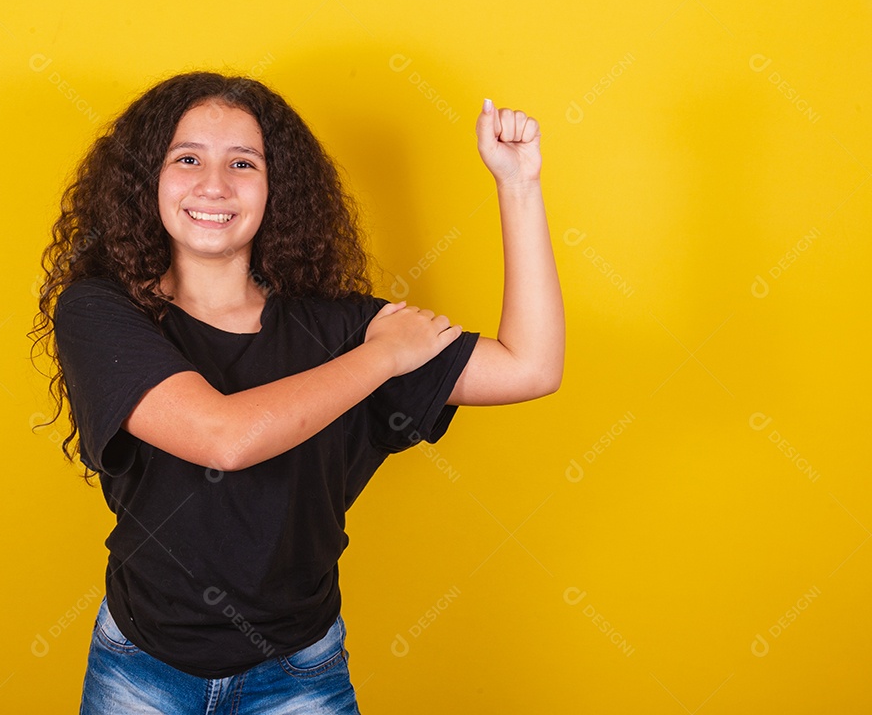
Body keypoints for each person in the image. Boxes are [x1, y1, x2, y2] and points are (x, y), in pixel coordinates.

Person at [30, 70, 563, 714]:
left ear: (276, 188)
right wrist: (385, 357)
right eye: (188, 158)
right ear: (148, 179)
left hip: (298, 677)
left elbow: (530, 367)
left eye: (243, 163)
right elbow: (222, 439)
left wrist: (518, 183)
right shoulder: (100, 312)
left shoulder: (338, 328)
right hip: (140, 671)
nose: (213, 185)